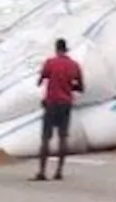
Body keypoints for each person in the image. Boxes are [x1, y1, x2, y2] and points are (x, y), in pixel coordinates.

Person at [33, 38, 84, 182]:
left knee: (45, 138)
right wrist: (68, 86)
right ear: (66, 49)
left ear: (56, 49)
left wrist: (50, 80)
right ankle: (59, 172)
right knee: (62, 137)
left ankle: (42, 172)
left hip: (51, 103)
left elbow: (40, 81)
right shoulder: (74, 65)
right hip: (65, 104)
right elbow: (80, 88)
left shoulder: (50, 63)